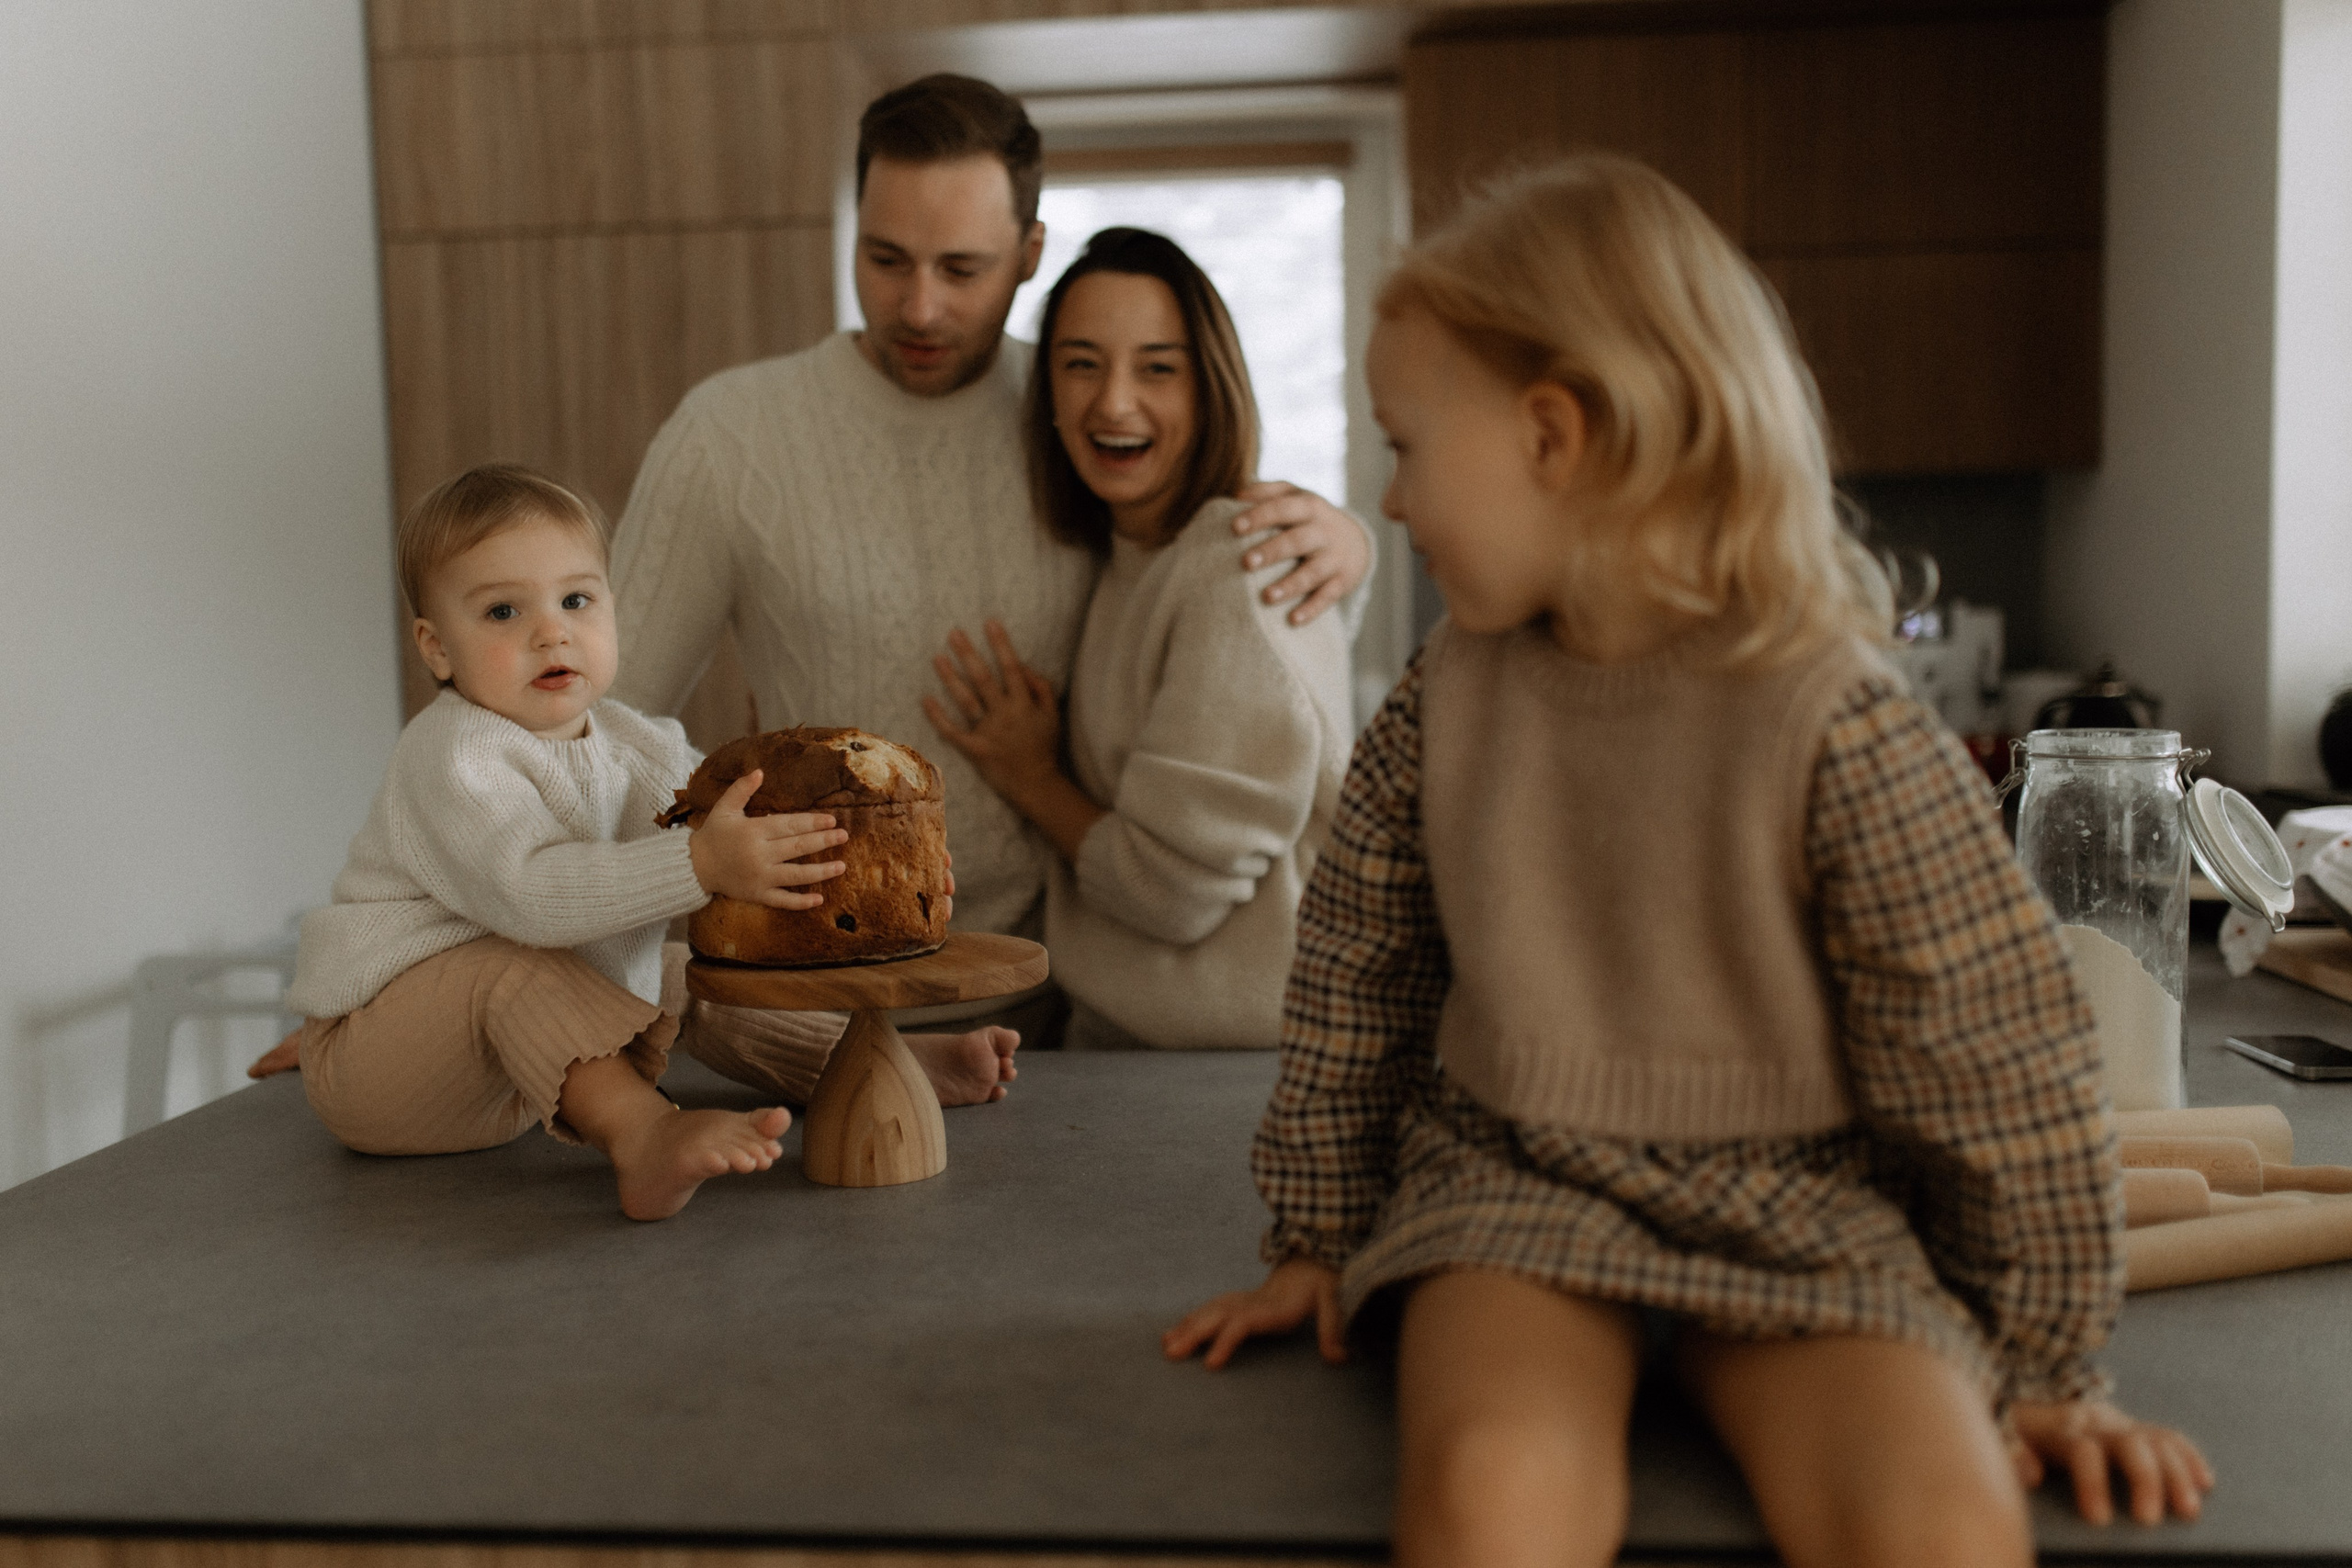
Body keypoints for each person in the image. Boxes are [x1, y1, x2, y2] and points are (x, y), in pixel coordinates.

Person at [1162, 157, 2213, 1564]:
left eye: (1406, 446)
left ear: (1555, 435)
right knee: (1493, 1491)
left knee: (1940, 1520)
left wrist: (2044, 1361)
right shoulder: (1448, 690)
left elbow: (1994, 1055)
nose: (1393, 502)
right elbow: (1360, 968)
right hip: (1517, 1188)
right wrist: (1316, 1232)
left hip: (1806, 1209)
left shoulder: (1833, 717)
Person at [603, 73, 1374, 1082]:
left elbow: (1200, 588)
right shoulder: (730, 436)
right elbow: (595, 724)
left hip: (1077, 1009)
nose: (919, 305)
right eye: (885, 259)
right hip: (826, 1016)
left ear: (1029, 255)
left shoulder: (1075, 414)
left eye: (962, 268)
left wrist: (1347, 542)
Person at [279, 465, 1015, 1221]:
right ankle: (643, 1134)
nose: (551, 630)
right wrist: (699, 862)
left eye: (576, 599)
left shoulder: (640, 743)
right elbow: (531, 898)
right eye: (503, 611)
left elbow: (744, 840)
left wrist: (870, 873)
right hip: (380, 1065)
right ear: (437, 648)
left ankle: (863, 1060)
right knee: (510, 966)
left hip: (518, 1077)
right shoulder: (453, 755)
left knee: (679, 971)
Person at [922, 229, 1351, 1051]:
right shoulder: (1125, 557)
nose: (1114, 402)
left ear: (1212, 387)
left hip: (1235, 1070)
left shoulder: (1240, 566)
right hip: (1130, 1049)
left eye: (1158, 368)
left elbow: (1170, 893)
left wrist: (1031, 776)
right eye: (1081, 363)